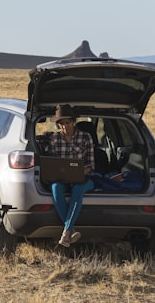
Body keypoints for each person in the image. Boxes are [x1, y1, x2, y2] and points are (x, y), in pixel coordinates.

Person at [40, 103, 95, 247]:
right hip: (62, 179)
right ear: (58, 125)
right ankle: (70, 230)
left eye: (68, 122)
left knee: (78, 189)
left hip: (84, 178)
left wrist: (82, 171)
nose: (65, 126)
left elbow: (91, 164)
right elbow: (52, 163)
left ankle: (66, 233)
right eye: (62, 124)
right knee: (55, 188)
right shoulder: (55, 139)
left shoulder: (86, 137)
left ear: (73, 122)